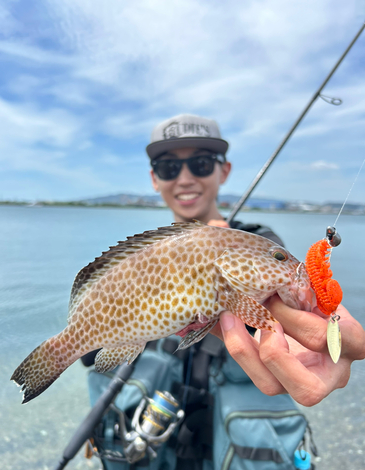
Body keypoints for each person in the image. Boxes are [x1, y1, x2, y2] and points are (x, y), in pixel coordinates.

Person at [147, 113, 365, 407]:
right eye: (169, 167)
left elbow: (284, 288)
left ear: (223, 171)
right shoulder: (142, 261)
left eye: (200, 164)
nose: (185, 178)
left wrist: (311, 331)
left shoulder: (259, 239)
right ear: (154, 179)